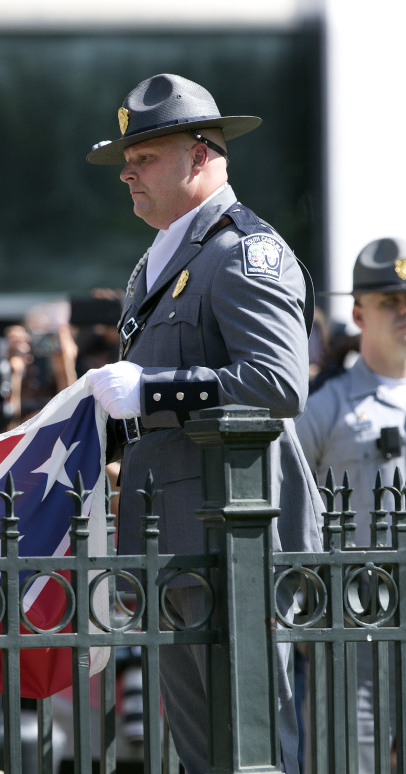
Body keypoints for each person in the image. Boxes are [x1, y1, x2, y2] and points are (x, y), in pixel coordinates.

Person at [82, 73, 324, 774]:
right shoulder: (160, 261)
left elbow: (279, 382)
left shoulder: (244, 251)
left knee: (249, 748)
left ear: (199, 154)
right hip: (180, 541)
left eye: (145, 155)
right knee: (203, 752)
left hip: (234, 544)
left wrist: (154, 391)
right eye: (126, 158)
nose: (127, 170)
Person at [295, 237, 406, 772]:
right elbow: (283, 501)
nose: (404, 313)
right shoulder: (327, 407)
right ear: (359, 312)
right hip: (357, 622)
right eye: (390, 302)